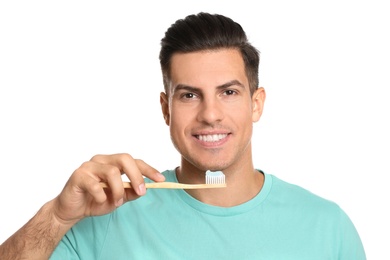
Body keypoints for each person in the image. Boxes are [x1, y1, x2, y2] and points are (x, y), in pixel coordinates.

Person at [0, 12, 365, 259]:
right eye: (189, 95)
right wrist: (59, 217)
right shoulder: (106, 216)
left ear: (256, 103)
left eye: (229, 92)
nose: (209, 114)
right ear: (165, 109)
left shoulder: (327, 228)